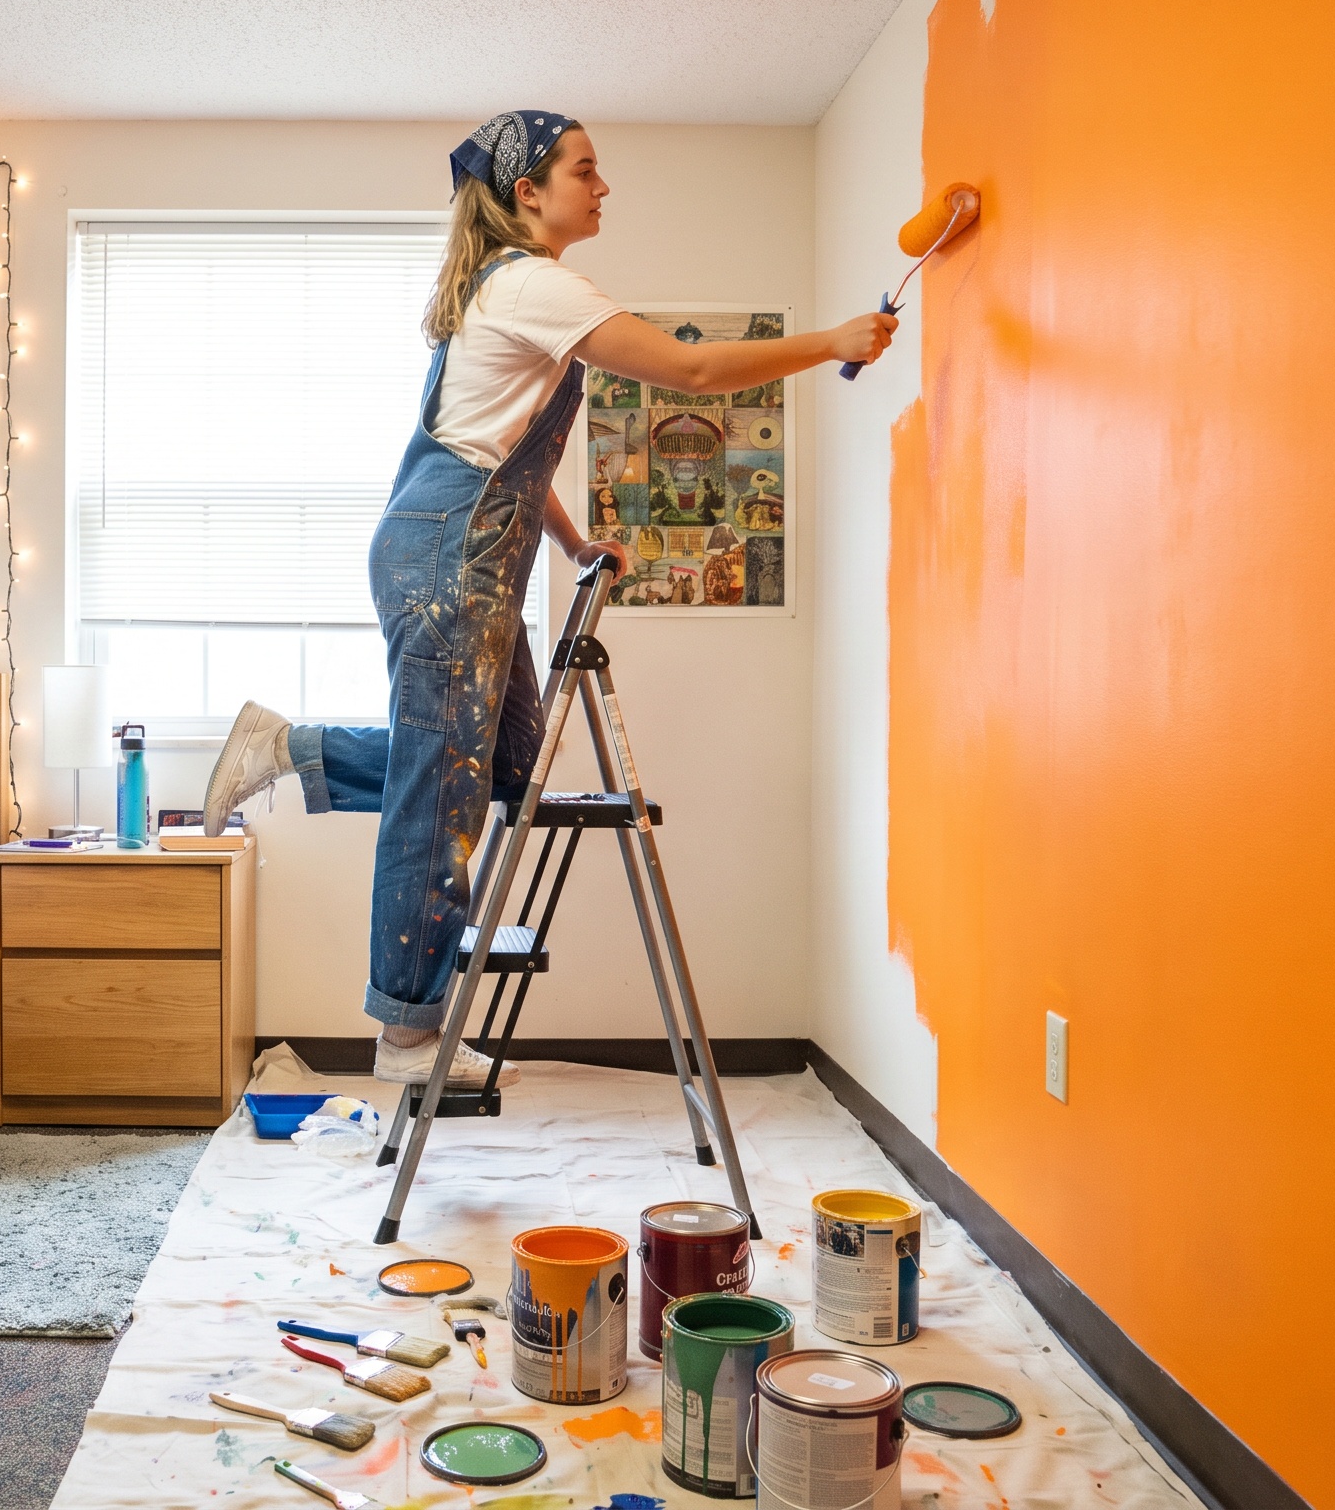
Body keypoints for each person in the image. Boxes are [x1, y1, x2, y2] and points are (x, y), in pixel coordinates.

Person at [199, 112, 895, 1085]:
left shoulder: (509, 290)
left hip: (470, 545)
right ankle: (404, 1032)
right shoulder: (530, 283)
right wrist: (829, 341)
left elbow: (499, 444)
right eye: (585, 170)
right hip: (451, 552)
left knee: (501, 774)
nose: (602, 187)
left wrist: (569, 540)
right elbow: (688, 369)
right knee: (438, 793)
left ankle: (288, 750)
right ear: (529, 191)